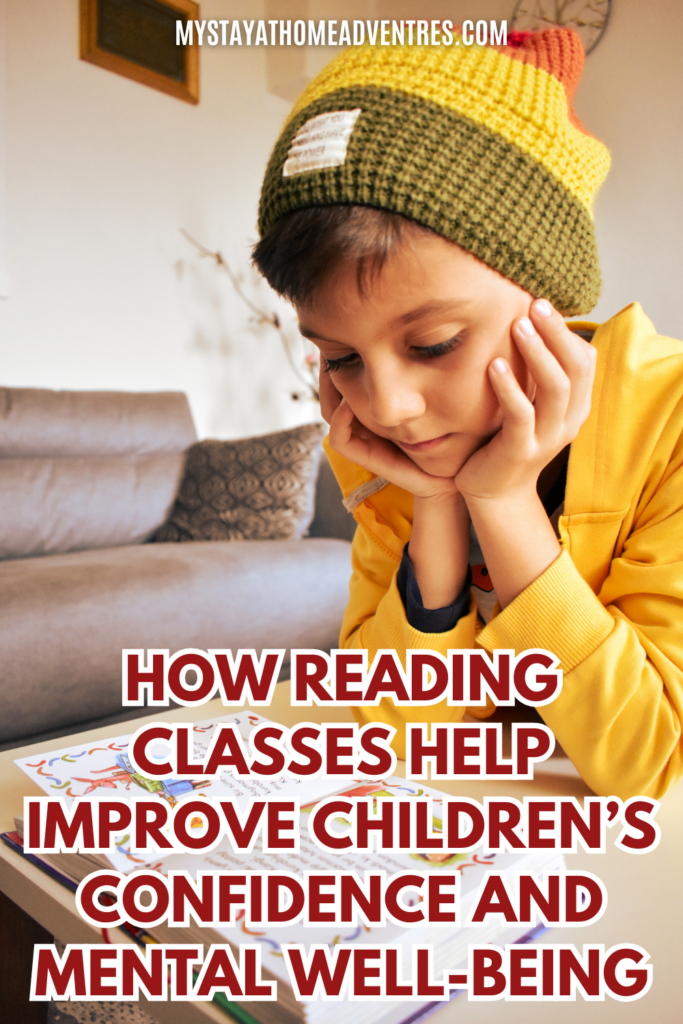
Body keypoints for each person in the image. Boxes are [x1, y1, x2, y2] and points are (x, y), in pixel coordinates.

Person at [252, 27, 683, 800]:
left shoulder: (670, 421)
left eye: (436, 343)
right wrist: (437, 503)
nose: (388, 407)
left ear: (548, 306)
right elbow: (395, 737)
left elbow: (642, 761)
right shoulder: (374, 445)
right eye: (340, 357)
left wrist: (503, 502)